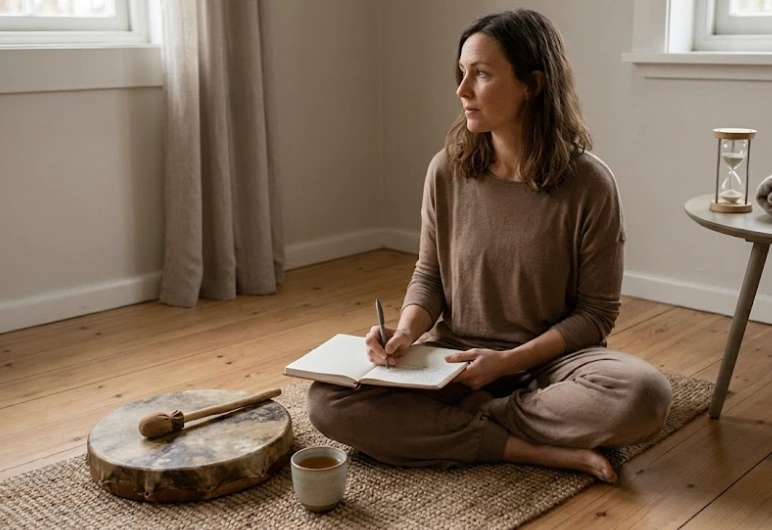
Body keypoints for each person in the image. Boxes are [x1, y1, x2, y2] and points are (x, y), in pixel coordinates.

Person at [307, 9, 672, 483]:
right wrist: (405, 334)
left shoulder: (590, 184)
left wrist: (507, 363)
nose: (462, 91)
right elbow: (429, 275)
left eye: (480, 75)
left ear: (532, 85)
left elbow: (596, 314)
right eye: (461, 74)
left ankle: (473, 425)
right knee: (327, 401)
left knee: (643, 395)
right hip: (453, 359)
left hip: (550, 364)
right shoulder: (447, 169)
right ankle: (526, 448)